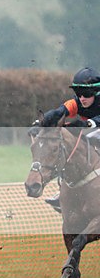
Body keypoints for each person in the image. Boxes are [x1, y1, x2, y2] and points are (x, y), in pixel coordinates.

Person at [37, 67, 100, 212]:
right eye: (78, 93)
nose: (82, 98)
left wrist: (87, 123)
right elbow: (59, 112)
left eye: (86, 94)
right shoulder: (76, 102)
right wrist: (42, 121)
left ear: (96, 92)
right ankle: (65, 193)